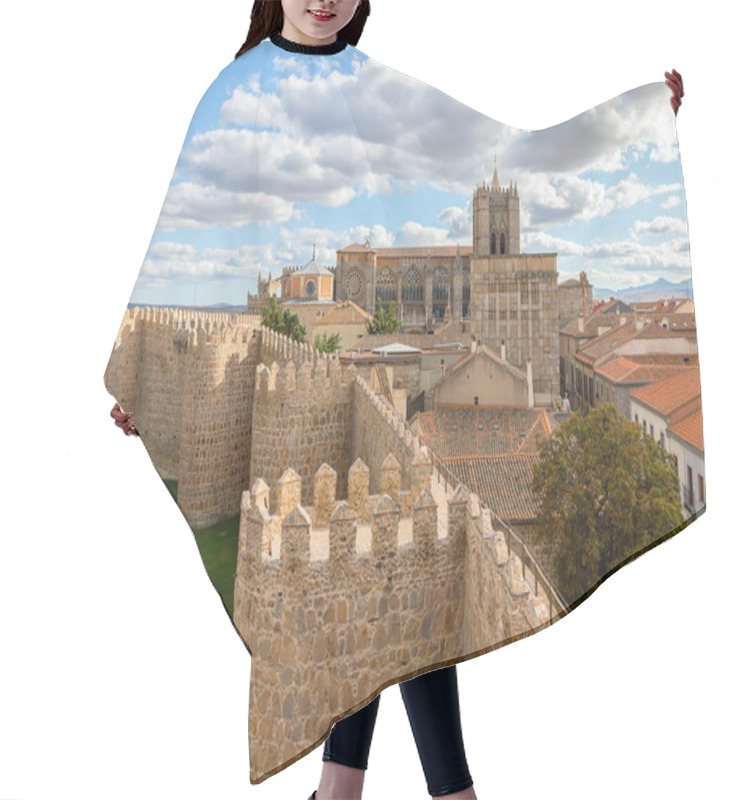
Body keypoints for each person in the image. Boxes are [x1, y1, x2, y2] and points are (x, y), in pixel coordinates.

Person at [110, 2, 685, 798]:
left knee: (388, 564)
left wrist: (642, 120)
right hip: (322, 390)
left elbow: (533, 145)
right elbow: (201, 235)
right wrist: (138, 380)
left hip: (357, 392)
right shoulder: (233, 87)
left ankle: (354, 789)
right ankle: (427, 791)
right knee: (386, 563)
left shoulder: (372, 81)